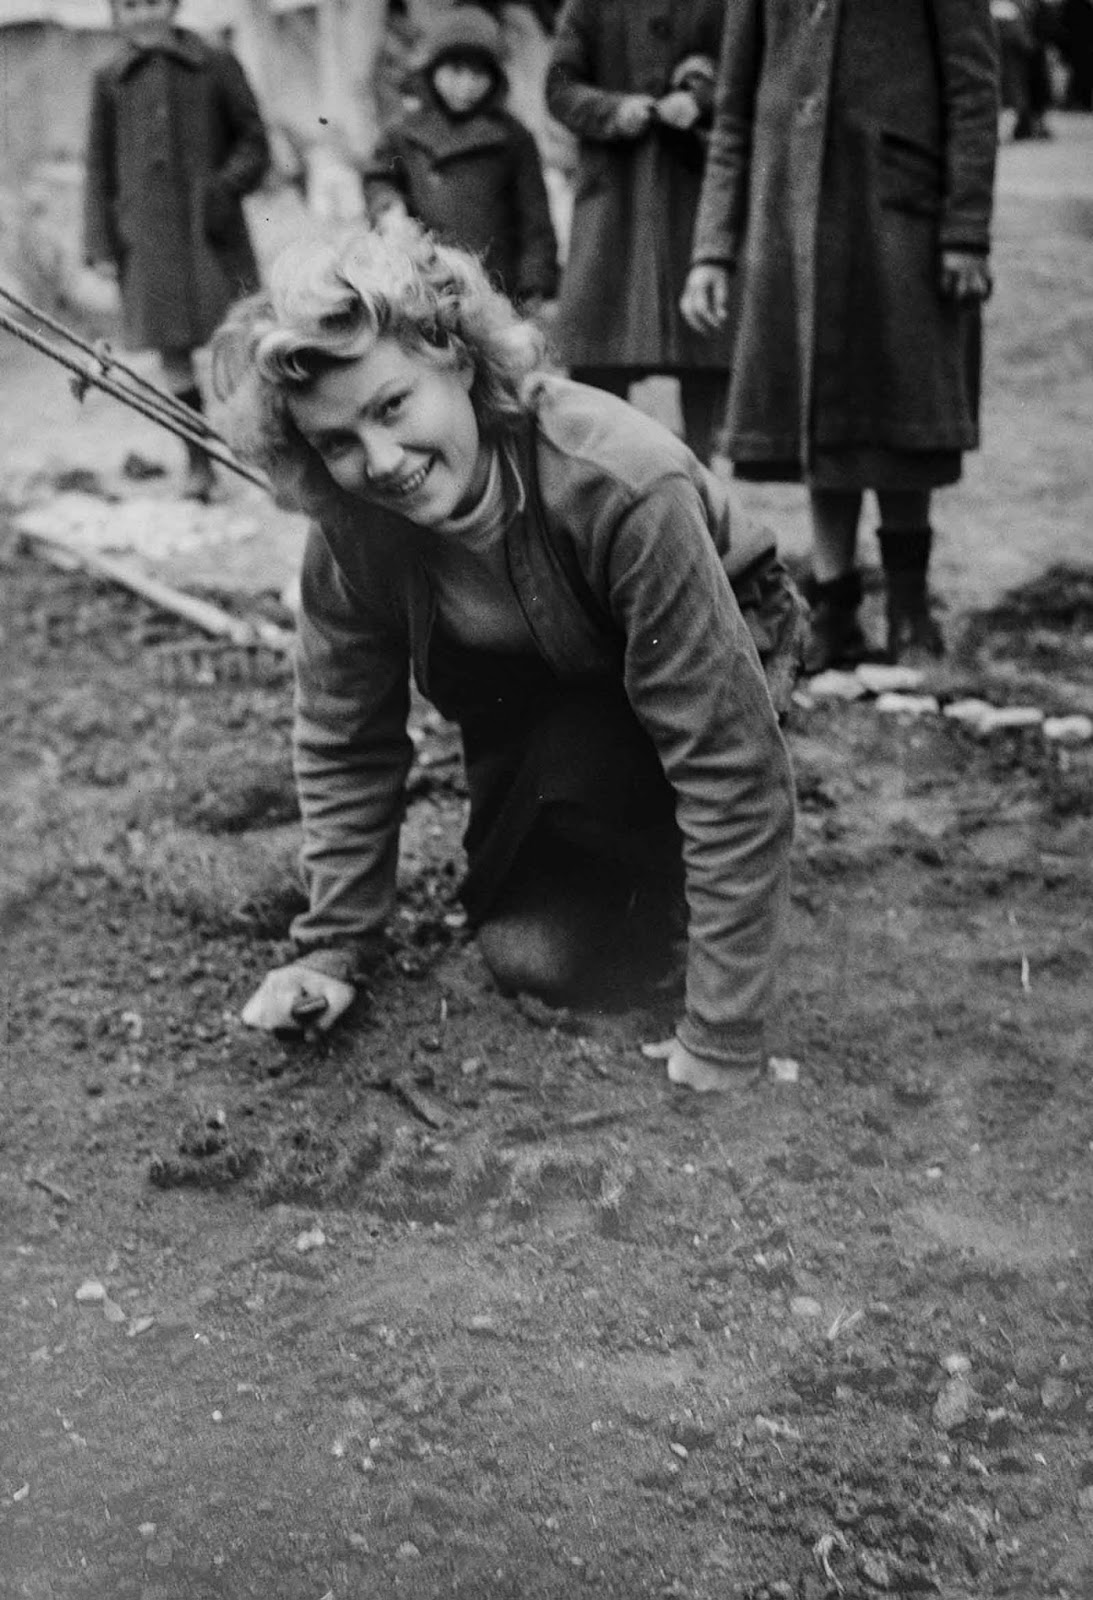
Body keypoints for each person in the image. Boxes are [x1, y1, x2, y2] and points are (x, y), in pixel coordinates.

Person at [212, 224, 800, 1093]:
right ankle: (618, 825)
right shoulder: (349, 532)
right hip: (533, 682)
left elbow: (728, 763)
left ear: (454, 358)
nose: (380, 463)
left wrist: (721, 1032)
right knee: (534, 954)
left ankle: (674, 861)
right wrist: (332, 947)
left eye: (391, 407)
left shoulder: (622, 485)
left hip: (710, 636)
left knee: (675, 803)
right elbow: (346, 740)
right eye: (336, 443)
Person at [681, 0, 999, 669]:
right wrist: (712, 249)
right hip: (792, 226)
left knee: (901, 409)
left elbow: (972, 91)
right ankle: (833, 607)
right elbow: (732, 116)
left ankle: (909, 611)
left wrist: (964, 228)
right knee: (816, 417)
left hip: (900, 224)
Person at [83, 0, 270, 501]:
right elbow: (99, 165)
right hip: (146, 238)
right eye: (129, 6)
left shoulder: (214, 62)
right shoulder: (109, 78)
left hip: (212, 231)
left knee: (242, 341)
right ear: (116, 15)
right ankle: (198, 462)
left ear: (173, 4)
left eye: (151, 2)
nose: (143, 16)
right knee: (173, 353)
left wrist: (223, 188)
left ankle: (270, 455)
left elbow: (255, 141)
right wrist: (100, 241)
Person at [544, 0, 733, 465]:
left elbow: (746, 70)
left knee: (704, 351)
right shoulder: (587, 7)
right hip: (614, 199)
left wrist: (699, 99)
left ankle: (701, 480)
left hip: (692, 191)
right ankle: (600, 473)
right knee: (599, 350)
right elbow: (559, 86)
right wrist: (612, 109)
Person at [363, 5, 559, 313]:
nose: (467, 86)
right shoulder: (404, 133)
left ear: (495, 79)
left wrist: (536, 286)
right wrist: (389, 208)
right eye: (455, 71)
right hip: (425, 279)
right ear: (432, 70)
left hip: (496, 284)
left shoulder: (513, 137)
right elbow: (379, 178)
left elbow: (535, 221)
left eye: (478, 74)